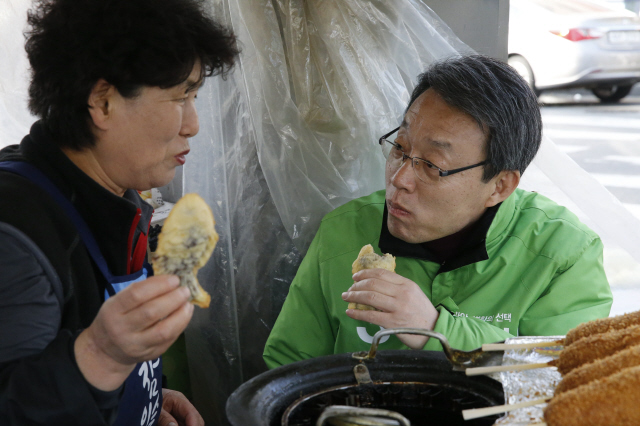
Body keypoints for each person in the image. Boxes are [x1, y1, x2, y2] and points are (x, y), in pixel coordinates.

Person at [263, 54, 613, 368]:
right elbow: (287, 368)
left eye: (432, 165)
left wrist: (434, 328)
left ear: (500, 186)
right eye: (400, 148)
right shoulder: (343, 233)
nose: (399, 180)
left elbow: (561, 377)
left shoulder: (563, 253)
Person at [0, 0, 238, 424]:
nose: (194, 124)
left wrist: (143, 398)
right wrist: (103, 356)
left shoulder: (114, 200)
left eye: (195, 96)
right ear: (103, 102)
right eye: (181, 96)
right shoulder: (15, 233)